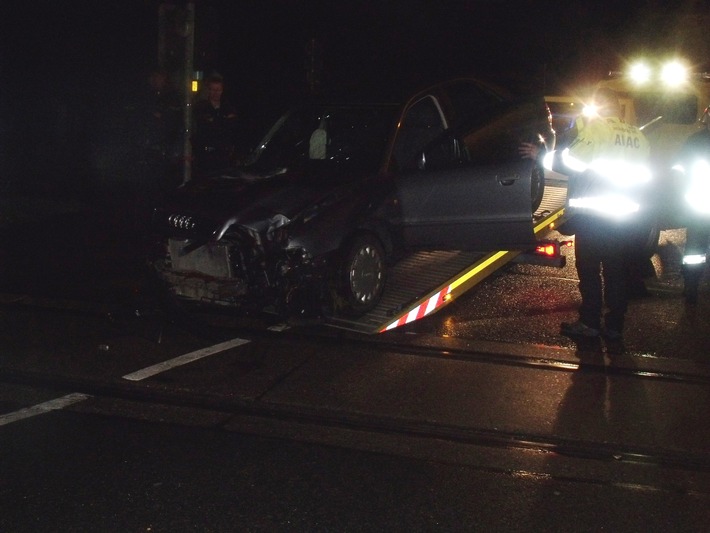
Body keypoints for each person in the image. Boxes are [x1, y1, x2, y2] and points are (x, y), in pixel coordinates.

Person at [550, 88, 652, 342]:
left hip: (594, 215)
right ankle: (615, 326)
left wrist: (542, 155)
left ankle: (590, 323)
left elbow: (570, 163)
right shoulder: (638, 136)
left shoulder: (597, 130)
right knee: (616, 271)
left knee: (589, 270)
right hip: (624, 217)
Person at [673, 106, 710, 303]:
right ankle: (691, 287)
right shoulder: (695, 140)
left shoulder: (695, 140)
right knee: (695, 251)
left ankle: (691, 287)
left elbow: (678, 169)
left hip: (699, 207)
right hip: (699, 206)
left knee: (695, 250)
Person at [191, 73, 240, 177]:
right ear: (208, 90)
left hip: (224, 155)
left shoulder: (228, 107)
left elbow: (231, 127)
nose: (215, 93)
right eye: (213, 89)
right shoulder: (201, 107)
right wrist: (222, 120)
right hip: (206, 155)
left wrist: (216, 121)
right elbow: (204, 126)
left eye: (218, 90)